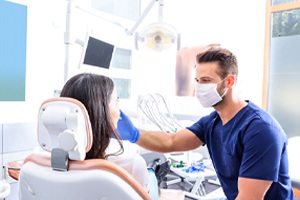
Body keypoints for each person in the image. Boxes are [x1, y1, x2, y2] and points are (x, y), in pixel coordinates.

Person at [117, 47, 295, 199]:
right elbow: (171, 142)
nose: (200, 88)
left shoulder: (260, 130)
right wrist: (134, 134)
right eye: (198, 81)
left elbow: (249, 198)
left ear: (229, 81)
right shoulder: (212, 122)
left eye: (206, 81)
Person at [59, 72, 161, 199]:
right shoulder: (131, 166)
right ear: (101, 113)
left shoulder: (42, 166)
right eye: (116, 102)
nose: (120, 112)